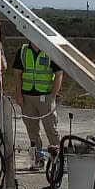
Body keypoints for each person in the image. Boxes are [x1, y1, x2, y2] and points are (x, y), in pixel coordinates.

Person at [12, 42, 63, 170]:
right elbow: (17, 74)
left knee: (51, 128)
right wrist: (18, 94)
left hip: (45, 96)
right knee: (32, 131)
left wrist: (52, 95)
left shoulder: (50, 50)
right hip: (27, 97)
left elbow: (58, 74)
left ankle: (59, 159)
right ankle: (37, 159)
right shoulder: (23, 51)